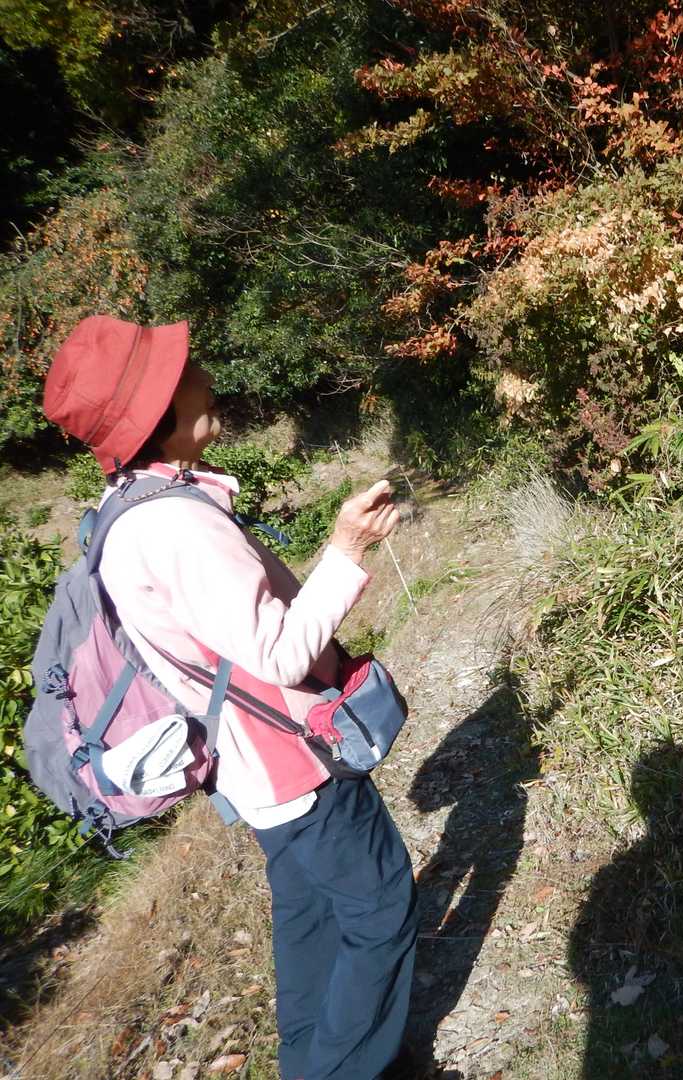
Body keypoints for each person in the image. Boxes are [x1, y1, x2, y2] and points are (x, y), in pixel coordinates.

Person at [42, 314, 418, 1080]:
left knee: (311, 924)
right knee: (379, 912)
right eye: (182, 372)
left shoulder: (128, 508)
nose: (205, 376)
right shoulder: (174, 525)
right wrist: (346, 548)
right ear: (155, 412)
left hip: (251, 772)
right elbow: (278, 653)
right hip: (294, 764)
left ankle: (309, 1064)